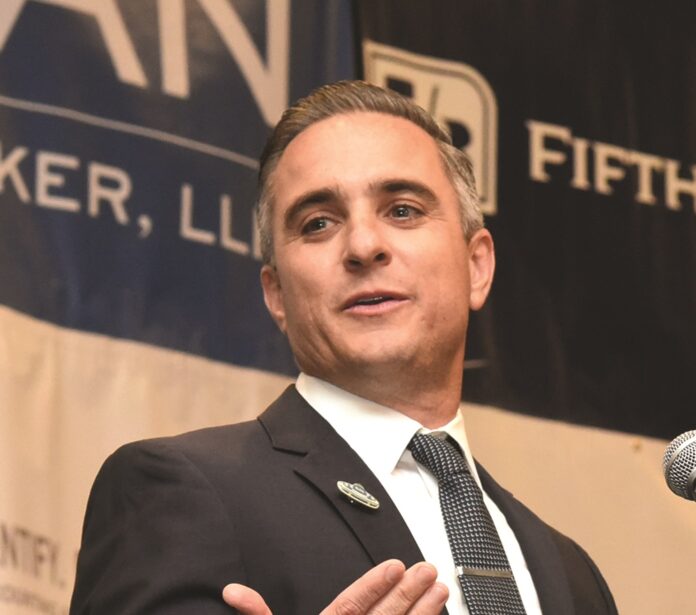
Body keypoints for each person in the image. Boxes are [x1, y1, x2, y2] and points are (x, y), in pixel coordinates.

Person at [70, 81, 617, 614]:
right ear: (277, 295)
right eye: (318, 223)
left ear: (476, 266)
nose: (363, 245)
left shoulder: (573, 576)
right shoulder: (177, 489)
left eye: (402, 210)